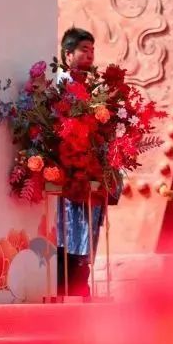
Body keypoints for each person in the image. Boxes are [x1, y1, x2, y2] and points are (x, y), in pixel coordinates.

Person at [55, 26, 118, 297]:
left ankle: (81, 287)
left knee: (87, 237)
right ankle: (63, 288)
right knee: (64, 237)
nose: (90, 54)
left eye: (92, 50)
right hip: (68, 175)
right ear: (68, 54)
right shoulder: (57, 85)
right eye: (84, 49)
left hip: (90, 172)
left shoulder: (96, 88)